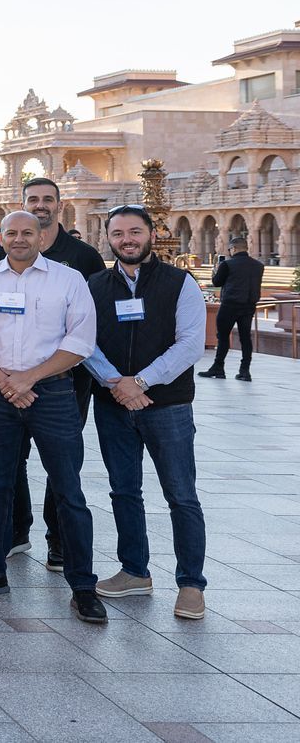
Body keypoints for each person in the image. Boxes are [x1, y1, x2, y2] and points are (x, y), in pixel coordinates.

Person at [0, 210, 106, 624]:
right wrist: (6, 382)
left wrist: (28, 379)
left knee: (68, 491)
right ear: (0, 238)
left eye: (27, 232)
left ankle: (82, 586)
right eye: (11, 233)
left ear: (43, 236)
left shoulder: (68, 279)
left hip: (54, 392)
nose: (19, 239)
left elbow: (81, 340)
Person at [86, 205, 209, 620]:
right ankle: (134, 570)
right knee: (123, 490)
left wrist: (139, 382)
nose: (127, 240)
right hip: (113, 405)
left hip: (167, 406)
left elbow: (190, 344)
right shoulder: (95, 285)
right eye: (118, 233)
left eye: (135, 231)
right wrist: (116, 384)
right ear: (108, 238)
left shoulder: (179, 283)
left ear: (151, 235)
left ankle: (191, 584)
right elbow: (84, 342)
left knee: (181, 495)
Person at [0, 177, 107, 573]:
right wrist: (9, 380)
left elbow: (87, 329)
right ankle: (17, 532)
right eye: (32, 200)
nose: (40, 205)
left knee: (62, 468)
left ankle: (60, 543)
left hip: (65, 384)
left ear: (58, 206)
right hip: (6, 385)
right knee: (12, 461)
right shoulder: (0, 254)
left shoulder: (83, 258)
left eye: (47, 200)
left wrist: (36, 377)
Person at [203, 235, 262, 382]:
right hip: (249, 306)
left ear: (233, 248)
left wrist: (216, 269)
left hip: (230, 305)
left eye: (230, 249)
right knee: (245, 338)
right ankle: (245, 371)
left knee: (222, 337)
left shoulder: (228, 264)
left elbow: (217, 282)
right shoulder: (258, 265)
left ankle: (218, 368)